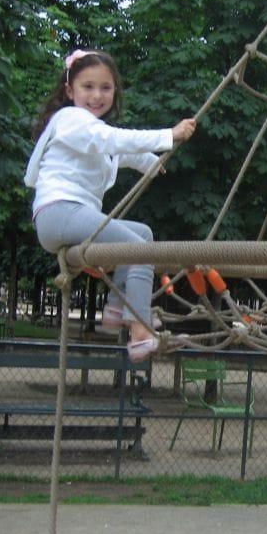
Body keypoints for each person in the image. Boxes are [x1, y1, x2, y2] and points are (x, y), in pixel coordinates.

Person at [25, 48, 196, 361]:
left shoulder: (89, 131)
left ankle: (117, 307)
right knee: (142, 253)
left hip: (68, 216)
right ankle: (140, 332)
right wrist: (168, 136)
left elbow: (118, 152)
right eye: (87, 87)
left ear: (115, 91)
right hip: (60, 212)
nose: (96, 96)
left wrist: (150, 164)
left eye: (105, 88)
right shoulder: (72, 120)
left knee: (142, 234)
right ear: (69, 90)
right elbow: (112, 141)